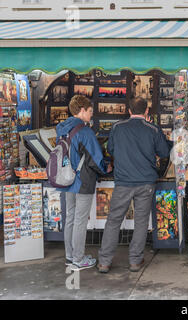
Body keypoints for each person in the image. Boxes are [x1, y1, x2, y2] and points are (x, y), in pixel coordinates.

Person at [98, 98, 173, 273]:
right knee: (141, 222)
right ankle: (135, 260)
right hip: (146, 182)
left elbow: (111, 150)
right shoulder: (153, 129)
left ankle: (104, 262)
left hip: (123, 182)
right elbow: (163, 152)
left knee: (113, 220)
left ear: (129, 111)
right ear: (147, 111)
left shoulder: (117, 127)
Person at [56, 95, 111, 271]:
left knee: (70, 218)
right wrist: (107, 168)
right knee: (80, 220)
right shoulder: (85, 132)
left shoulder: (61, 129)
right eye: (90, 111)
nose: (91, 115)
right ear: (82, 110)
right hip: (82, 181)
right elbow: (96, 159)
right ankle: (79, 259)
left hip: (67, 179)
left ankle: (70, 256)